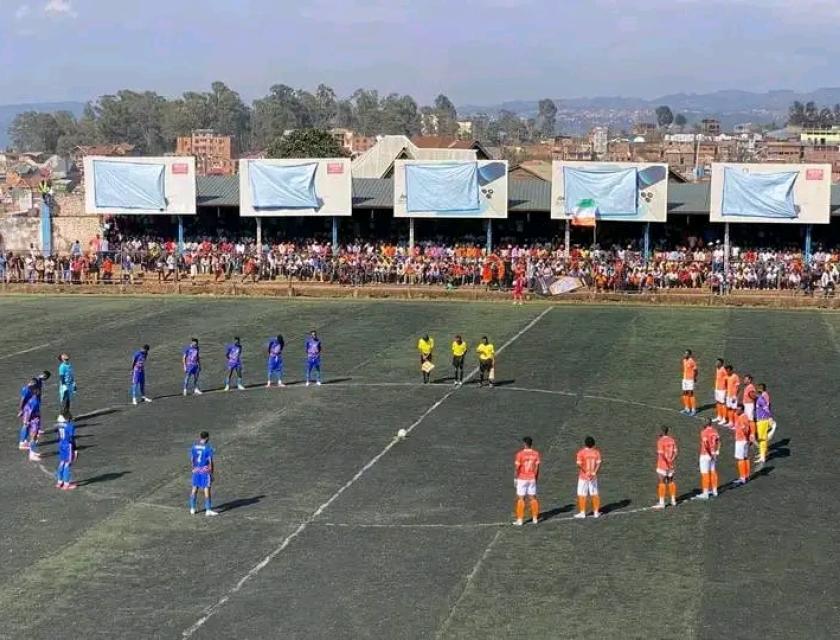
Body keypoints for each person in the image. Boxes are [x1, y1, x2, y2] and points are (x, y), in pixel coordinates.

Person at [189, 431, 218, 516]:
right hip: (205, 471)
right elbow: (210, 462)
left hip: (196, 470)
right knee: (206, 489)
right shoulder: (208, 448)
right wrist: (211, 473)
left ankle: (192, 508)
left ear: (200, 437)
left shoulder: (194, 447)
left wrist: (193, 468)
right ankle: (208, 510)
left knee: (194, 488)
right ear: (207, 438)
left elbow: (192, 459)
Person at [513, 436, 540, 526]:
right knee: (533, 497)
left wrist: (515, 478)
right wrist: (535, 478)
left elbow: (517, 468)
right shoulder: (536, 454)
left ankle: (520, 520)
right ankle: (535, 518)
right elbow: (537, 468)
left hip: (522, 478)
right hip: (532, 478)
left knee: (521, 498)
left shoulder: (520, 454)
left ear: (524, 444)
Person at [575, 436, 602, 519]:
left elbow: (579, 464)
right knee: (594, 493)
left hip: (584, 477)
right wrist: (594, 472)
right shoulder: (596, 452)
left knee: (582, 494)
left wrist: (586, 472)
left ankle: (582, 512)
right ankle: (596, 512)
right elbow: (599, 463)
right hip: (593, 477)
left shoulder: (581, 452)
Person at [695, 418, 720, 499]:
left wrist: (710, 454)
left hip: (706, 454)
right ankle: (715, 490)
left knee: (705, 473)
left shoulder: (704, 432)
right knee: (713, 471)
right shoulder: (714, 431)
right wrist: (716, 451)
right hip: (713, 454)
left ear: (706, 423)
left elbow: (705, 444)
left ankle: (705, 493)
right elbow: (719, 441)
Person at [654, 426, 678, 509]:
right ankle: (673, 500)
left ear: (661, 431)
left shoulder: (660, 441)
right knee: (671, 481)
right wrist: (671, 461)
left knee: (662, 482)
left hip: (663, 465)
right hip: (671, 464)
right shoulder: (672, 440)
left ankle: (662, 503)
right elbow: (675, 453)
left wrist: (666, 462)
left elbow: (661, 454)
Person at [731, 405, 754, 485]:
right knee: (745, 458)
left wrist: (744, 431)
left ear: (742, 410)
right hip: (745, 440)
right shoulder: (743, 417)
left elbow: (746, 429)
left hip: (741, 441)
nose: (736, 411)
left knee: (740, 459)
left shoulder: (742, 418)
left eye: (738, 409)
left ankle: (742, 477)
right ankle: (747, 476)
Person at [55, 418, 78, 490]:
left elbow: (58, 435)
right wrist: (75, 448)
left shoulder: (59, 425)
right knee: (67, 463)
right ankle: (66, 484)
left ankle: (59, 482)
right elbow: (71, 438)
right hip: (68, 445)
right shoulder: (69, 425)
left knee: (62, 462)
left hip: (61, 444)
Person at [754, 383, 773, 465]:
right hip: (761, 421)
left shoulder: (761, 399)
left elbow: (766, 409)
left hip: (762, 421)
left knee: (762, 439)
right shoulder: (760, 399)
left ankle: (763, 456)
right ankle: (762, 454)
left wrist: (769, 417)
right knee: (762, 438)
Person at [22, 392, 42, 461]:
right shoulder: (34, 401)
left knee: (35, 437)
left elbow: (26, 409)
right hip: (34, 422)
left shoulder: (32, 400)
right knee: (33, 437)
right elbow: (29, 412)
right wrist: (27, 421)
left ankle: (33, 452)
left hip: (35, 421)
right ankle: (32, 454)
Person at [57, 353, 76, 422]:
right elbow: (61, 376)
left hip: (70, 385)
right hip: (65, 385)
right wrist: (64, 385)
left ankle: (67, 413)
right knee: (65, 400)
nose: (66, 355)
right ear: (62, 359)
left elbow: (71, 375)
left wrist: (74, 384)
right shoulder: (62, 366)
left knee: (68, 401)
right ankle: (62, 415)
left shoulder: (69, 365)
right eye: (63, 355)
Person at [681, 349, 698, 416]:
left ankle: (693, 410)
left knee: (690, 394)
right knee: (684, 393)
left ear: (689, 355)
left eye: (686, 353)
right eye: (684, 353)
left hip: (690, 380)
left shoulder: (692, 361)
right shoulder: (684, 360)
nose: (684, 354)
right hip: (684, 379)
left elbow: (696, 370)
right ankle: (687, 408)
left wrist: (694, 378)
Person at [713, 358, 727, 425]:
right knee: (718, 402)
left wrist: (726, 389)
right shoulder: (717, 369)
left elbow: (727, 379)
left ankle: (724, 418)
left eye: (718, 362)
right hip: (717, 388)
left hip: (722, 389)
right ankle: (719, 416)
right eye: (716, 362)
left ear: (721, 363)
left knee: (723, 403)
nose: (716, 363)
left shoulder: (723, 370)